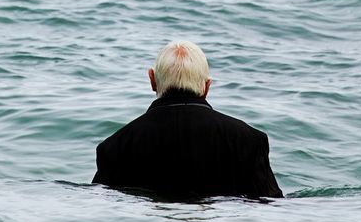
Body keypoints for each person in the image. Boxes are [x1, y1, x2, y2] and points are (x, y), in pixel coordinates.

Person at [92, 40, 284, 200]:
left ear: (152, 80)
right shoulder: (249, 141)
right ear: (207, 86)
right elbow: (270, 205)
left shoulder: (115, 146)